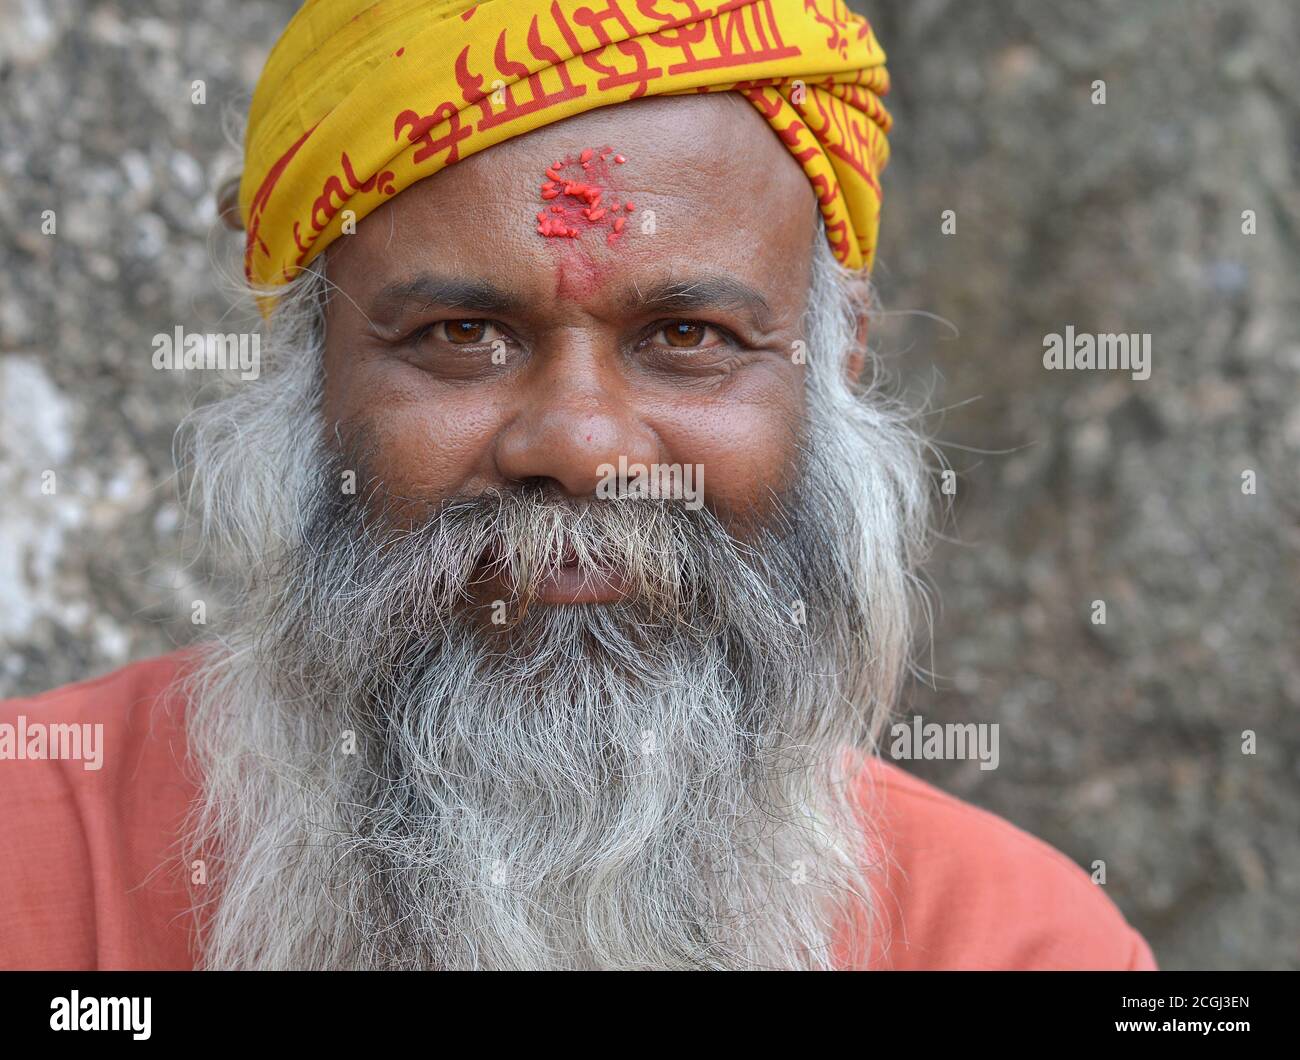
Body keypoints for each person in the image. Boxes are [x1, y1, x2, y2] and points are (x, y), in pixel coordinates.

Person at [0, 0, 1156, 971]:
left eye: (689, 336)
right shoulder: (31, 857)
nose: (583, 446)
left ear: (836, 359)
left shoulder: (1012, 943)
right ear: (308, 374)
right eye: (462, 334)